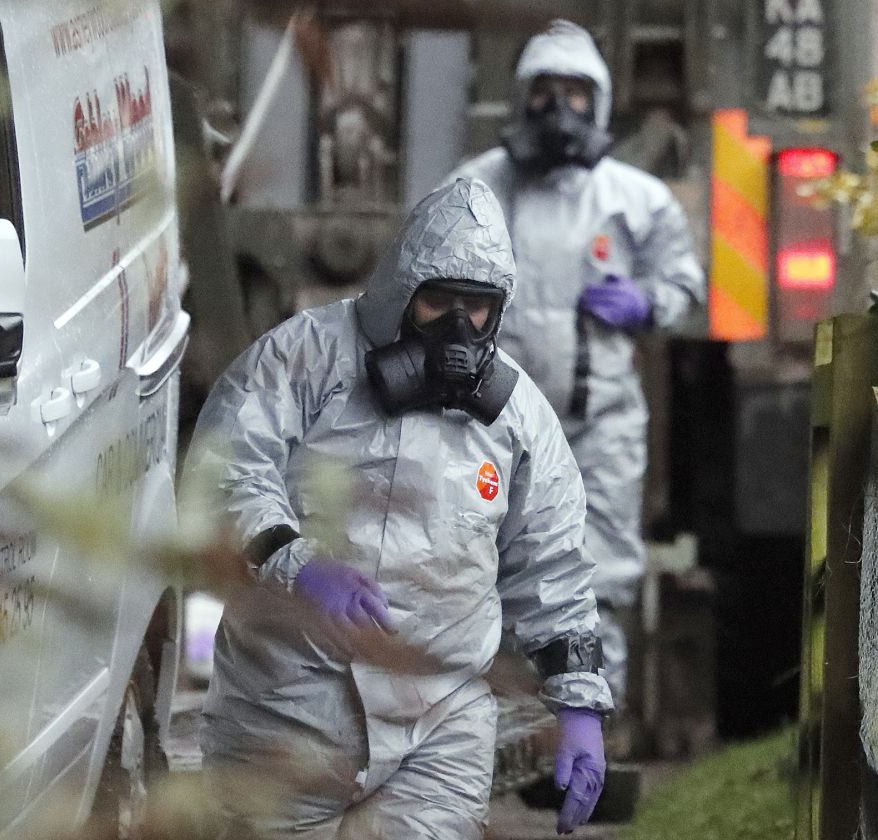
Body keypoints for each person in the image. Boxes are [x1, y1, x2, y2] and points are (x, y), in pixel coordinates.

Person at [185, 177, 613, 839]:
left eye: (476, 307)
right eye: (436, 300)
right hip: (288, 711)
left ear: (499, 309)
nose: (456, 325)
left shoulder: (519, 417)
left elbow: (550, 559)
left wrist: (579, 703)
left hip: (438, 729)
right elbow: (223, 469)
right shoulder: (302, 360)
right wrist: (291, 561)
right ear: (398, 292)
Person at [447, 20, 706, 704]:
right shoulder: (474, 191)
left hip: (600, 423)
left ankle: (586, 730)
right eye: (545, 90)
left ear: (600, 99)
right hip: (490, 423)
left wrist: (648, 302)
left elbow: (684, 283)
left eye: (576, 92)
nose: (560, 108)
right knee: (481, 564)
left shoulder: (635, 200)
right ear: (521, 95)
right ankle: (495, 732)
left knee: (595, 575)